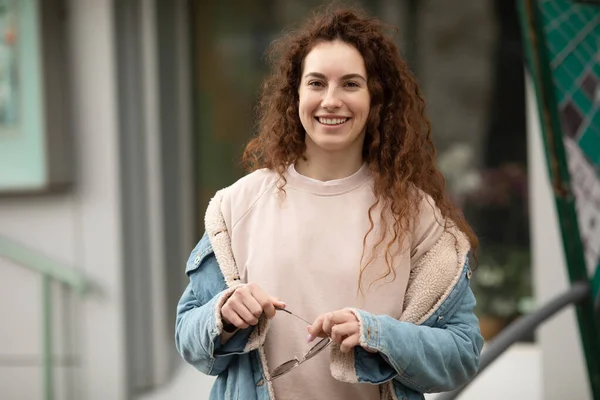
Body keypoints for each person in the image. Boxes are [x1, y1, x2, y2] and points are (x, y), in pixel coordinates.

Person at [175, 6, 483, 400]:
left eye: (350, 84)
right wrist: (223, 316)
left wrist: (378, 335)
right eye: (317, 83)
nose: (331, 100)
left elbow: (462, 353)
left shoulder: (418, 214)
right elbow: (188, 336)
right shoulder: (237, 205)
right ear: (296, 94)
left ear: (376, 97)